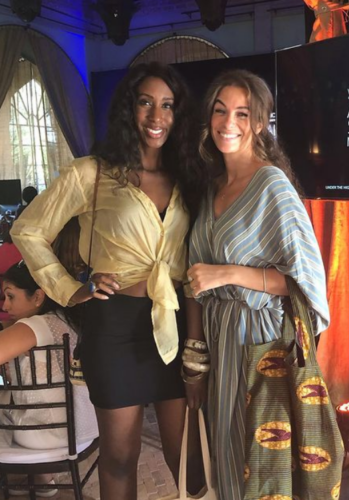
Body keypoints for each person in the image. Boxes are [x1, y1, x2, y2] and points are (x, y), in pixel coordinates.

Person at [11, 62, 205, 500]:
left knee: (187, 456)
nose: (157, 116)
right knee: (119, 456)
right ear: (128, 109)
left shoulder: (188, 176)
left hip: (173, 323)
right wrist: (72, 289)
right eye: (146, 103)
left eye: (168, 106)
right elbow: (28, 230)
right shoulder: (92, 173)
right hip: (114, 327)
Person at [186, 70, 330, 500]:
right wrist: (196, 357)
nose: (228, 122)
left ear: (261, 122)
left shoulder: (271, 184)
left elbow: (305, 279)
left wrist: (227, 273)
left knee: (263, 460)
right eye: (220, 111)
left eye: (242, 113)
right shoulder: (213, 187)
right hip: (220, 337)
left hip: (259, 340)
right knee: (229, 452)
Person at [0, 262, 99, 497]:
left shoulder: (32, 326)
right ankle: (43, 478)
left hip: (47, 435)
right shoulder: (65, 318)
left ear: (38, 296)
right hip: (85, 428)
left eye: (11, 296)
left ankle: (29, 475)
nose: (5, 305)